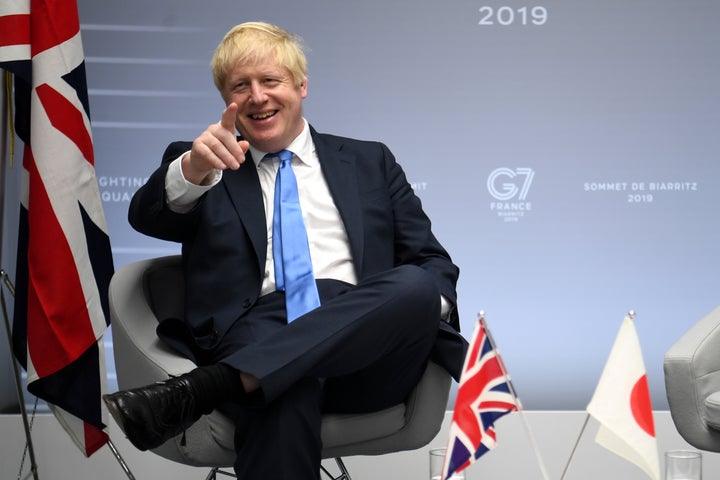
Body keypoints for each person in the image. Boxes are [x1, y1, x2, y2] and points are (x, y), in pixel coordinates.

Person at [104, 21, 467, 479]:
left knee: (413, 285)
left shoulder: (370, 160)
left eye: (270, 81)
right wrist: (193, 169)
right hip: (256, 336)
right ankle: (244, 375)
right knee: (279, 391)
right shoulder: (206, 160)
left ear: (301, 85)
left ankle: (203, 388)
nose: (257, 97)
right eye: (241, 86)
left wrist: (391, 311)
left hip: (369, 359)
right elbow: (149, 217)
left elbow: (432, 261)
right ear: (227, 100)